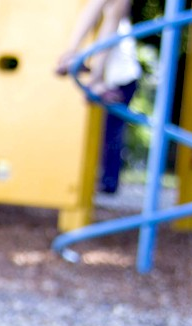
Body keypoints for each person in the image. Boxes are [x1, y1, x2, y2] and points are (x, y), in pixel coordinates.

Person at [56, 0, 142, 194]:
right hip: (120, 78)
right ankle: (90, 74)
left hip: (120, 78)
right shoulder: (118, 25)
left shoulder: (116, 23)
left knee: (111, 132)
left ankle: (73, 57)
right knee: (111, 132)